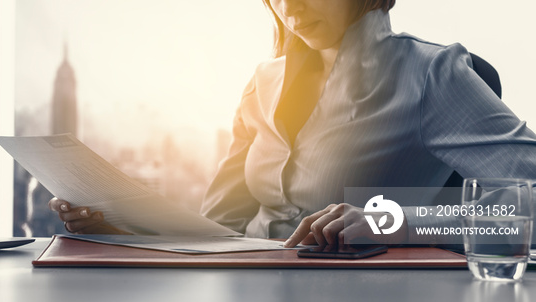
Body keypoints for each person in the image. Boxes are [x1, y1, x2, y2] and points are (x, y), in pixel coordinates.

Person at [49, 0, 536, 247]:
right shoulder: (262, 81)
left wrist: (391, 222)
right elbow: (220, 229)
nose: (290, 5)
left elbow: (529, 201)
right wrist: (124, 225)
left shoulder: (430, 74)